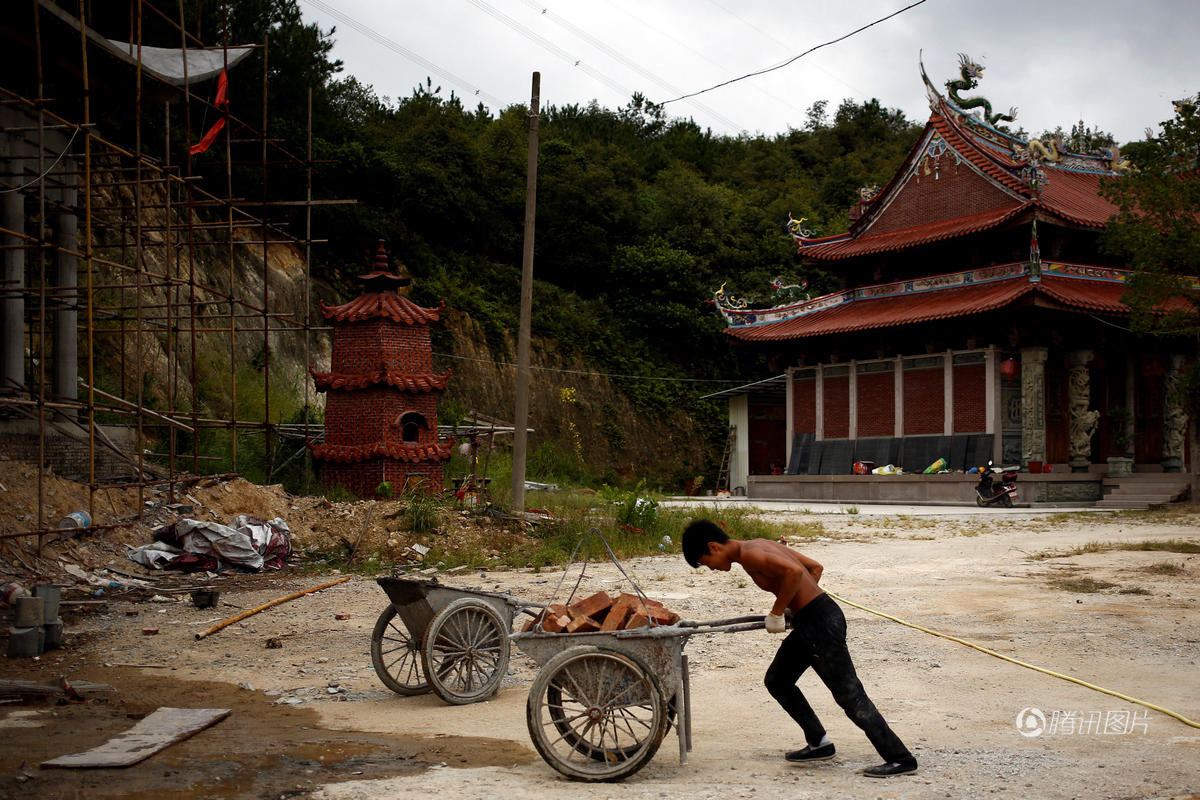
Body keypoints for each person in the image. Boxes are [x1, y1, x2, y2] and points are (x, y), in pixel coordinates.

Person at [681, 519, 917, 778]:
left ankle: (899, 758)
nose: (711, 569)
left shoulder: (751, 555)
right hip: (812, 620)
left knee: (850, 696)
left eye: (705, 563)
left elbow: (793, 573)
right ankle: (819, 742)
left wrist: (778, 611)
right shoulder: (759, 545)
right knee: (778, 680)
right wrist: (799, 606)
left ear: (714, 547)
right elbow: (814, 568)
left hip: (821, 624)